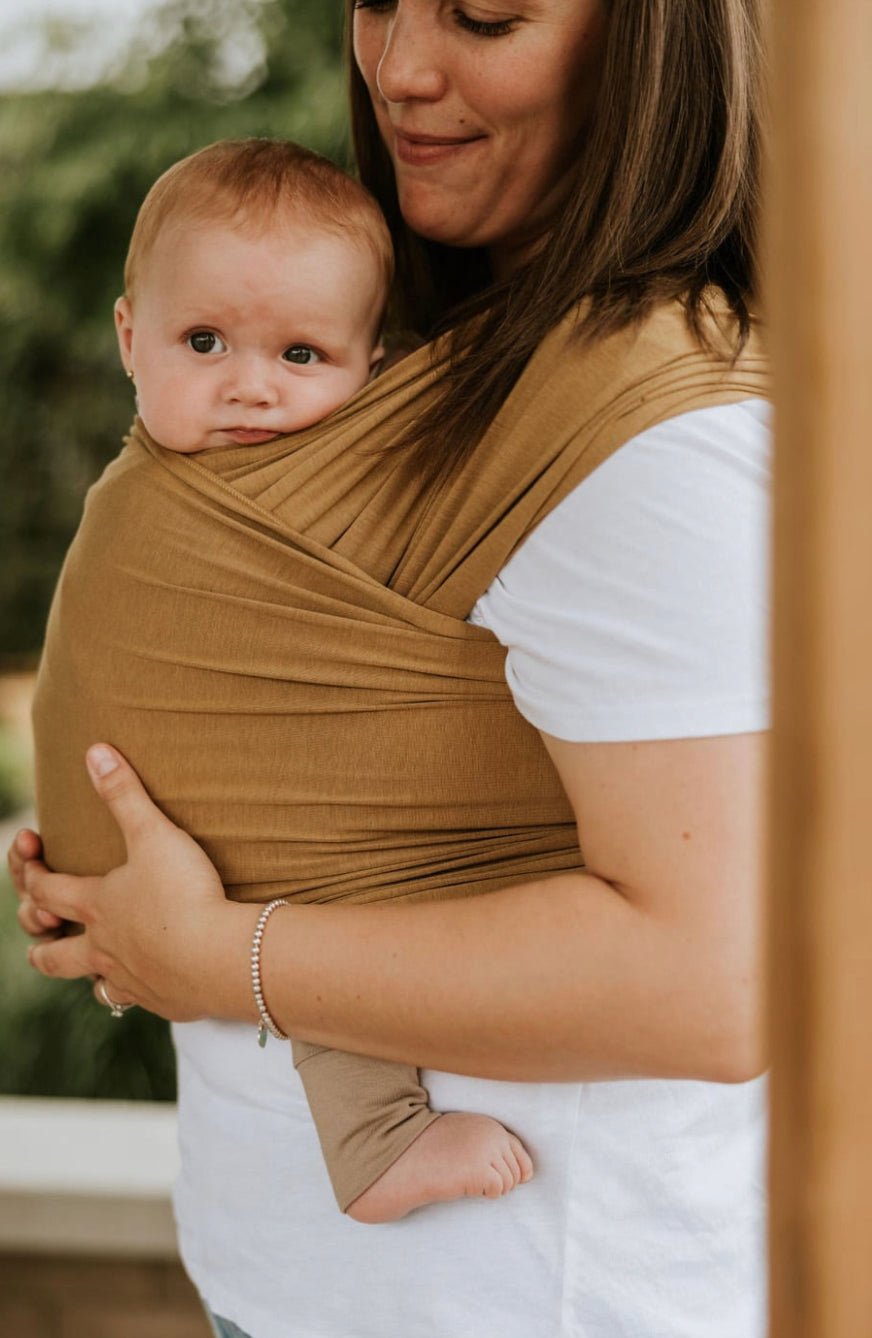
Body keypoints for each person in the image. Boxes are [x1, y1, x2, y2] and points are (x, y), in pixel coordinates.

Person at [11, 2, 771, 1336]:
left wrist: (205, 950)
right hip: (303, 1277)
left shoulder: (651, 441)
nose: (401, 70)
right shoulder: (428, 333)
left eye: (484, 14)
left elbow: (711, 982)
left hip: (521, 1290)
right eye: (377, 0)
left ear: (657, 38)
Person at [30, 132, 534, 1222]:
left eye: (300, 356)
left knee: (340, 893)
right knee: (332, 890)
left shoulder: (365, 479)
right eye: (203, 341)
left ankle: (371, 1130)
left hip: (275, 866)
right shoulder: (140, 495)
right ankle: (380, 1138)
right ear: (130, 337)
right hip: (168, 864)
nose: (248, 388)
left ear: (377, 376)